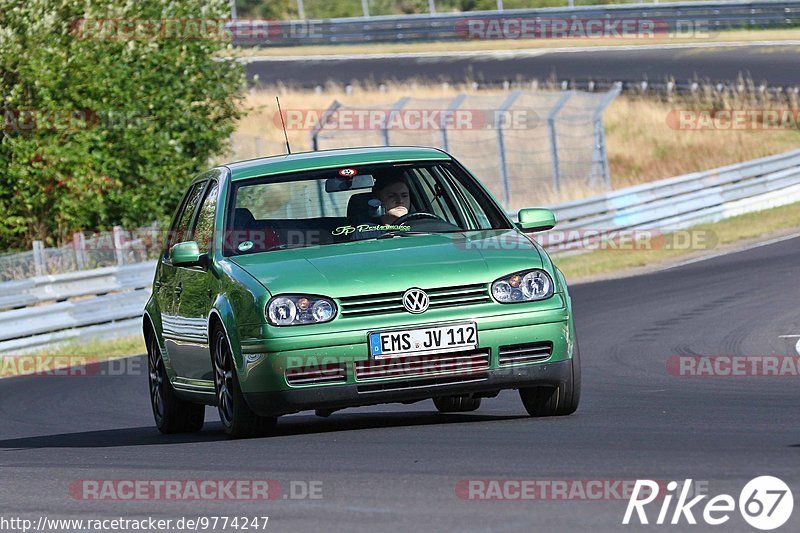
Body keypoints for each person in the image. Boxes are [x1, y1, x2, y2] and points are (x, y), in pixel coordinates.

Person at [349, 176, 413, 240]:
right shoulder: (365, 232)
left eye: (404, 196)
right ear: (378, 200)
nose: (400, 200)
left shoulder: (419, 226)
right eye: (392, 196)